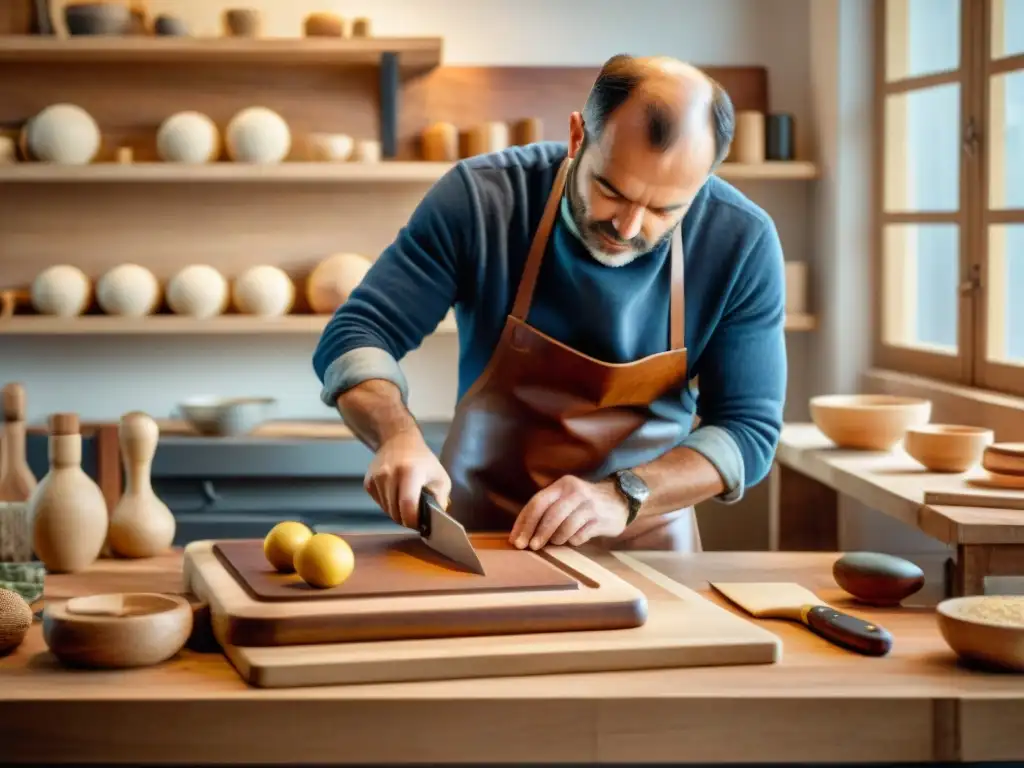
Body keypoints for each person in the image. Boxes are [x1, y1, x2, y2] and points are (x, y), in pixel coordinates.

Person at [312, 54, 787, 554]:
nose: (627, 227)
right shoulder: (484, 200)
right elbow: (358, 333)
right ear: (578, 137)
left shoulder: (741, 240)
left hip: (647, 544)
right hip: (484, 536)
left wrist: (624, 495)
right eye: (610, 190)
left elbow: (746, 431)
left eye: (664, 209)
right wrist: (395, 435)